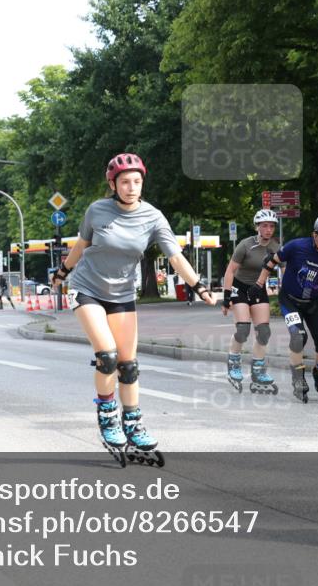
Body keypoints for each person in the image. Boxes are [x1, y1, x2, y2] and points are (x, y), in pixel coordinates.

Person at [52, 153, 216, 466]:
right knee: (108, 356)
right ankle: (107, 415)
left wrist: (199, 286)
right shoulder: (97, 210)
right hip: (86, 289)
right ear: (112, 183)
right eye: (125, 182)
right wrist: (62, 273)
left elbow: (176, 257)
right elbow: (81, 245)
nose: (131, 187)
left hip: (122, 294)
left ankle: (133, 423)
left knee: (128, 365)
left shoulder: (153, 217)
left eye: (137, 181)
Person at [251, 214, 318, 403]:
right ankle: (298, 378)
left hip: (313, 302)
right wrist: (258, 284)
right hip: (290, 300)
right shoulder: (297, 246)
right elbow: (271, 261)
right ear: (315, 235)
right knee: (298, 336)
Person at [222, 209, 281, 394]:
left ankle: (258, 371)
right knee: (243, 329)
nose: (268, 229)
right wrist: (226, 297)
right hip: (240, 287)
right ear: (257, 227)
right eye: (264, 226)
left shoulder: (276, 248)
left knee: (264, 331)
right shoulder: (245, 245)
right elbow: (230, 271)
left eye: (271, 226)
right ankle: (233, 362)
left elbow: (284, 270)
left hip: (258, 288)